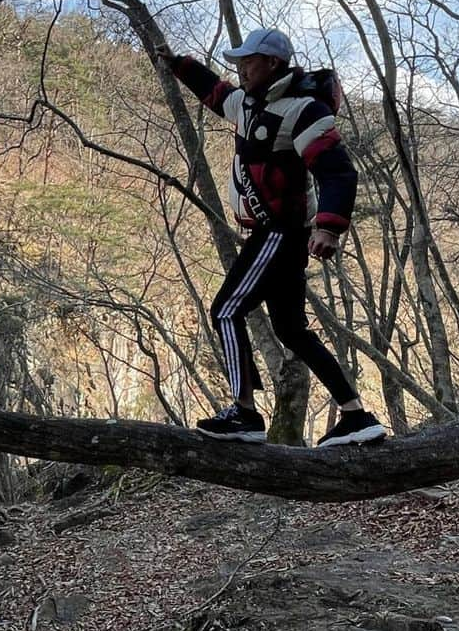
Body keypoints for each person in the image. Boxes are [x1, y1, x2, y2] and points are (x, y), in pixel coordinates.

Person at [161, 27, 387, 447]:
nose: (242, 69)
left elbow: (336, 169)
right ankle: (357, 416)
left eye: (249, 61)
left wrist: (329, 226)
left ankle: (245, 415)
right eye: (240, 62)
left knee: (226, 311)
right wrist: (178, 64)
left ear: (273, 64)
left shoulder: (302, 110)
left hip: (280, 232)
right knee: (292, 330)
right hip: (275, 232)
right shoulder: (247, 104)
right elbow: (213, 91)